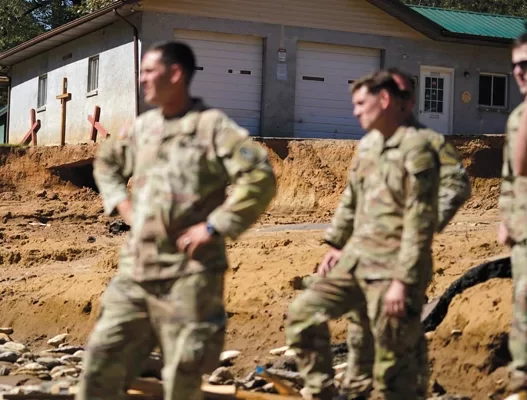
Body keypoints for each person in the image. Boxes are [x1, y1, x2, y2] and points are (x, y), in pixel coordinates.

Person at [76, 41, 276, 400]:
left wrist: (215, 226)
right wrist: (121, 204)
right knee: (100, 364)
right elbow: (106, 164)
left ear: (176, 74)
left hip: (190, 276)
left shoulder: (212, 127)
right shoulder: (142, 128)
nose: (142, 80)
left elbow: (260, 176)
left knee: (182, 377)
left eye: (149, 72)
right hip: (138, 270)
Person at [285, 70, 440, 400]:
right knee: (303, 313)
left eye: (360, 103)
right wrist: (336, 243)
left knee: (394, 369)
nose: (354, 111)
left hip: (392, 270)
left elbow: (420, 222)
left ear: (384, 101)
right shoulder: (368, 145)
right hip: (356, 261)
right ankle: (322, 393)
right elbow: (351, 198)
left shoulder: (418, 150)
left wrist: (402, 279)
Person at [337, 68, 471, 400]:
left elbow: (456, 185)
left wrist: (427, 221)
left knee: (398, 342)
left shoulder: (429, 142)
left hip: (402, 257)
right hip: (366, 256)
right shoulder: (375, 143)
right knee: (362, 332)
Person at [499, 32, 527, 400]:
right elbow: (511, 175)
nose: (520, 70)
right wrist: (506, 216)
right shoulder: (517, 117)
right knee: (522, 301)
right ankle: (521, 380)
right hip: (523, 229)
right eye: (516, 65)